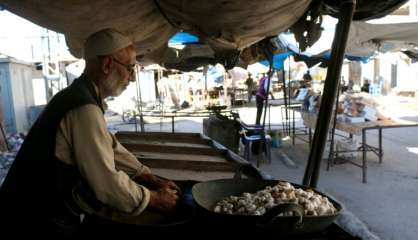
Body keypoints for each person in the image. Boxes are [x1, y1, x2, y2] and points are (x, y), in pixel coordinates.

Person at [0, 28, 180, 238]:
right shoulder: (84, 108)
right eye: (130, 68)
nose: (131, 78)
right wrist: (155, 199)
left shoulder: (79, 96)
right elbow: (106, 181)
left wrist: (148, 176)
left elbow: (111, 148)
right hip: (31, 220)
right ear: (107, 65)